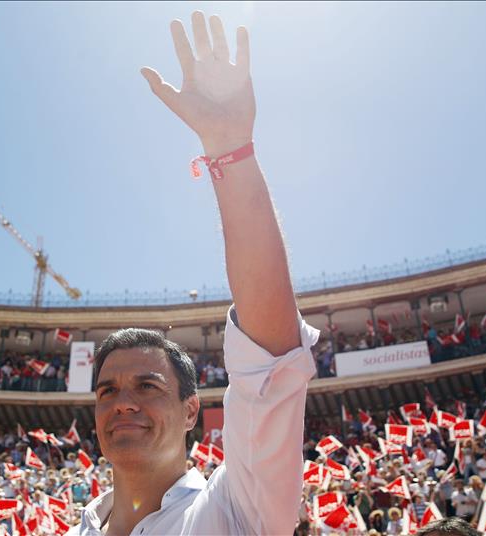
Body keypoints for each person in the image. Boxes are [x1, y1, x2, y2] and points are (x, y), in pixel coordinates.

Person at [70, 11, 319, 536]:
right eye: (107, 391)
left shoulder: (233, 510)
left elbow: (272, 356)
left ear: (191, 412)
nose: (124, 403)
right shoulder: (75, 530)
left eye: (147, 385)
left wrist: (229, 148)